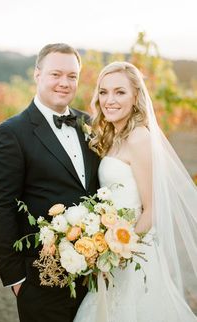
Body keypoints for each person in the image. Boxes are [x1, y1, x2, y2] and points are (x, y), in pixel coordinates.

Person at [73, 61, 197, 322]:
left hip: (133, 256)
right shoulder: (112, 137)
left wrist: (118, 251)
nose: (110, 100)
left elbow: (152, 209)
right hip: (112, 252)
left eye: (120, 92)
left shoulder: (139, 137)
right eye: (104, 92)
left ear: (136, 97)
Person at [0, 43, 99, 322]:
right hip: (41, 280)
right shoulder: (11, 133)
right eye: (55, 74)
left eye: (72, 76)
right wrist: (16, 279)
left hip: (96, 277)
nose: (64, 82)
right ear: (37, 75)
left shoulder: (92, 125)